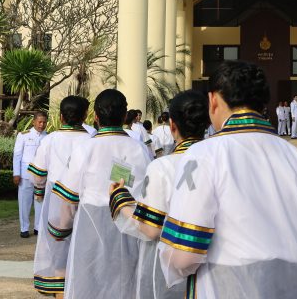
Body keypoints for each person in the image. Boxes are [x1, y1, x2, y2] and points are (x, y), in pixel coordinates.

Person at [158, 61, 297, 298]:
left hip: (227, 286)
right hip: (294, 287)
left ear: (212, 100)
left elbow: (183, 255)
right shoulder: (295, 156)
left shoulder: (203, 154)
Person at [48, 89, 152, 299]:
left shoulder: (86, 148)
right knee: (126, 283)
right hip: (129, 226)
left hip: (91, 225)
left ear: (95, 116)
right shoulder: (139, 149)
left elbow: (68, 200)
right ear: (124, 116)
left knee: (89, 285)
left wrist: (60, 229)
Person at [109, 90, 210, 299]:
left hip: (169, 267)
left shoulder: (162, 166)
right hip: (214, 266)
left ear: (172, 125)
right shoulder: (223, 162)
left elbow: (151, 229)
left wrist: (120, 200)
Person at [30, 97, 94, 297]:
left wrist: (39, 190)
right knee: (85, 251)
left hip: (56, 199)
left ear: (60, 116)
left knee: (58, 251)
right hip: (85, 200)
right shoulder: (92, 139)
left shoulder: (50, 140)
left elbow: (37, 174)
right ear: (85, 116)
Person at [13, 112, 48, 238]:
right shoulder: (24, 135)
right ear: (33, 122)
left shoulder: (48, 137)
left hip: (41, 176)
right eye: (39, 122)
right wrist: (16, 173)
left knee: (40, 201)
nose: (41, 124)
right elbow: (17, 155)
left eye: (44, 122)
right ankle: (24, 228)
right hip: (26, 174)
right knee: (24, 202)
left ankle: (38, 227)